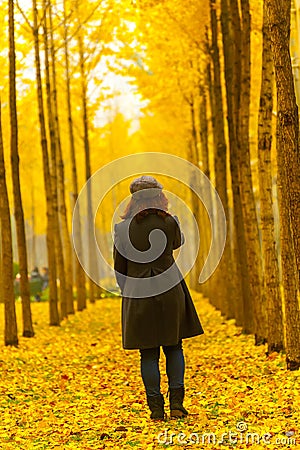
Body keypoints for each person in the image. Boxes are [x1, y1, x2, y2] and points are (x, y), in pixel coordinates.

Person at [113, 175, 204, 421]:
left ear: (133, 200)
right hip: (169, 289)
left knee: (148, 353)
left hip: (138, 293)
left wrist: (128, 290)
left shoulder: (122, 229)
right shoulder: (170, 222)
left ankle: (155, 409)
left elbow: (119, 267)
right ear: (159, 196)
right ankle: (177, 404)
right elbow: (176, 243)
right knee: (174, 347)